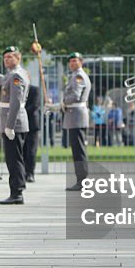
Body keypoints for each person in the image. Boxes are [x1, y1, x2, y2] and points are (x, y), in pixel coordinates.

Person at [0, 46, 30, 204]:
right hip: (10, 120)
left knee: (14, 159)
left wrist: (10, 125)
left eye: (10, 57)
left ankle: (17, 192)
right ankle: (16, 191)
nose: (7, 60)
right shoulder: (13, 75)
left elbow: (15, 103)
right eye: (5, 57)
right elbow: (5, 82)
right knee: (12, 158)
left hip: (14, 121)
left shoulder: (16, 75)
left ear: (18, 58)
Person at [50, 52, 91, 190]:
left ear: (81, 62)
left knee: (78, 150)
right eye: (71, 61)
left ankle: (82, 181)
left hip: (76, 115)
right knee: (77, 149)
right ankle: (81, 179)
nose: (72, 63)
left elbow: (75, 95)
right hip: (74, 114)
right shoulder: (75, 76)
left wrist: (61, 103)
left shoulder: (78, 76)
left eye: (75, 60)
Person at [23, 80, 41, 182]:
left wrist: (20, 111)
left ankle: (30, 173)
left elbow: (34, 105)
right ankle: (23, 173)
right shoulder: (18, 89)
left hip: (32, 124)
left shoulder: (35, 90)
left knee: (31, 151)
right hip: (20, 124)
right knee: (22, 150)